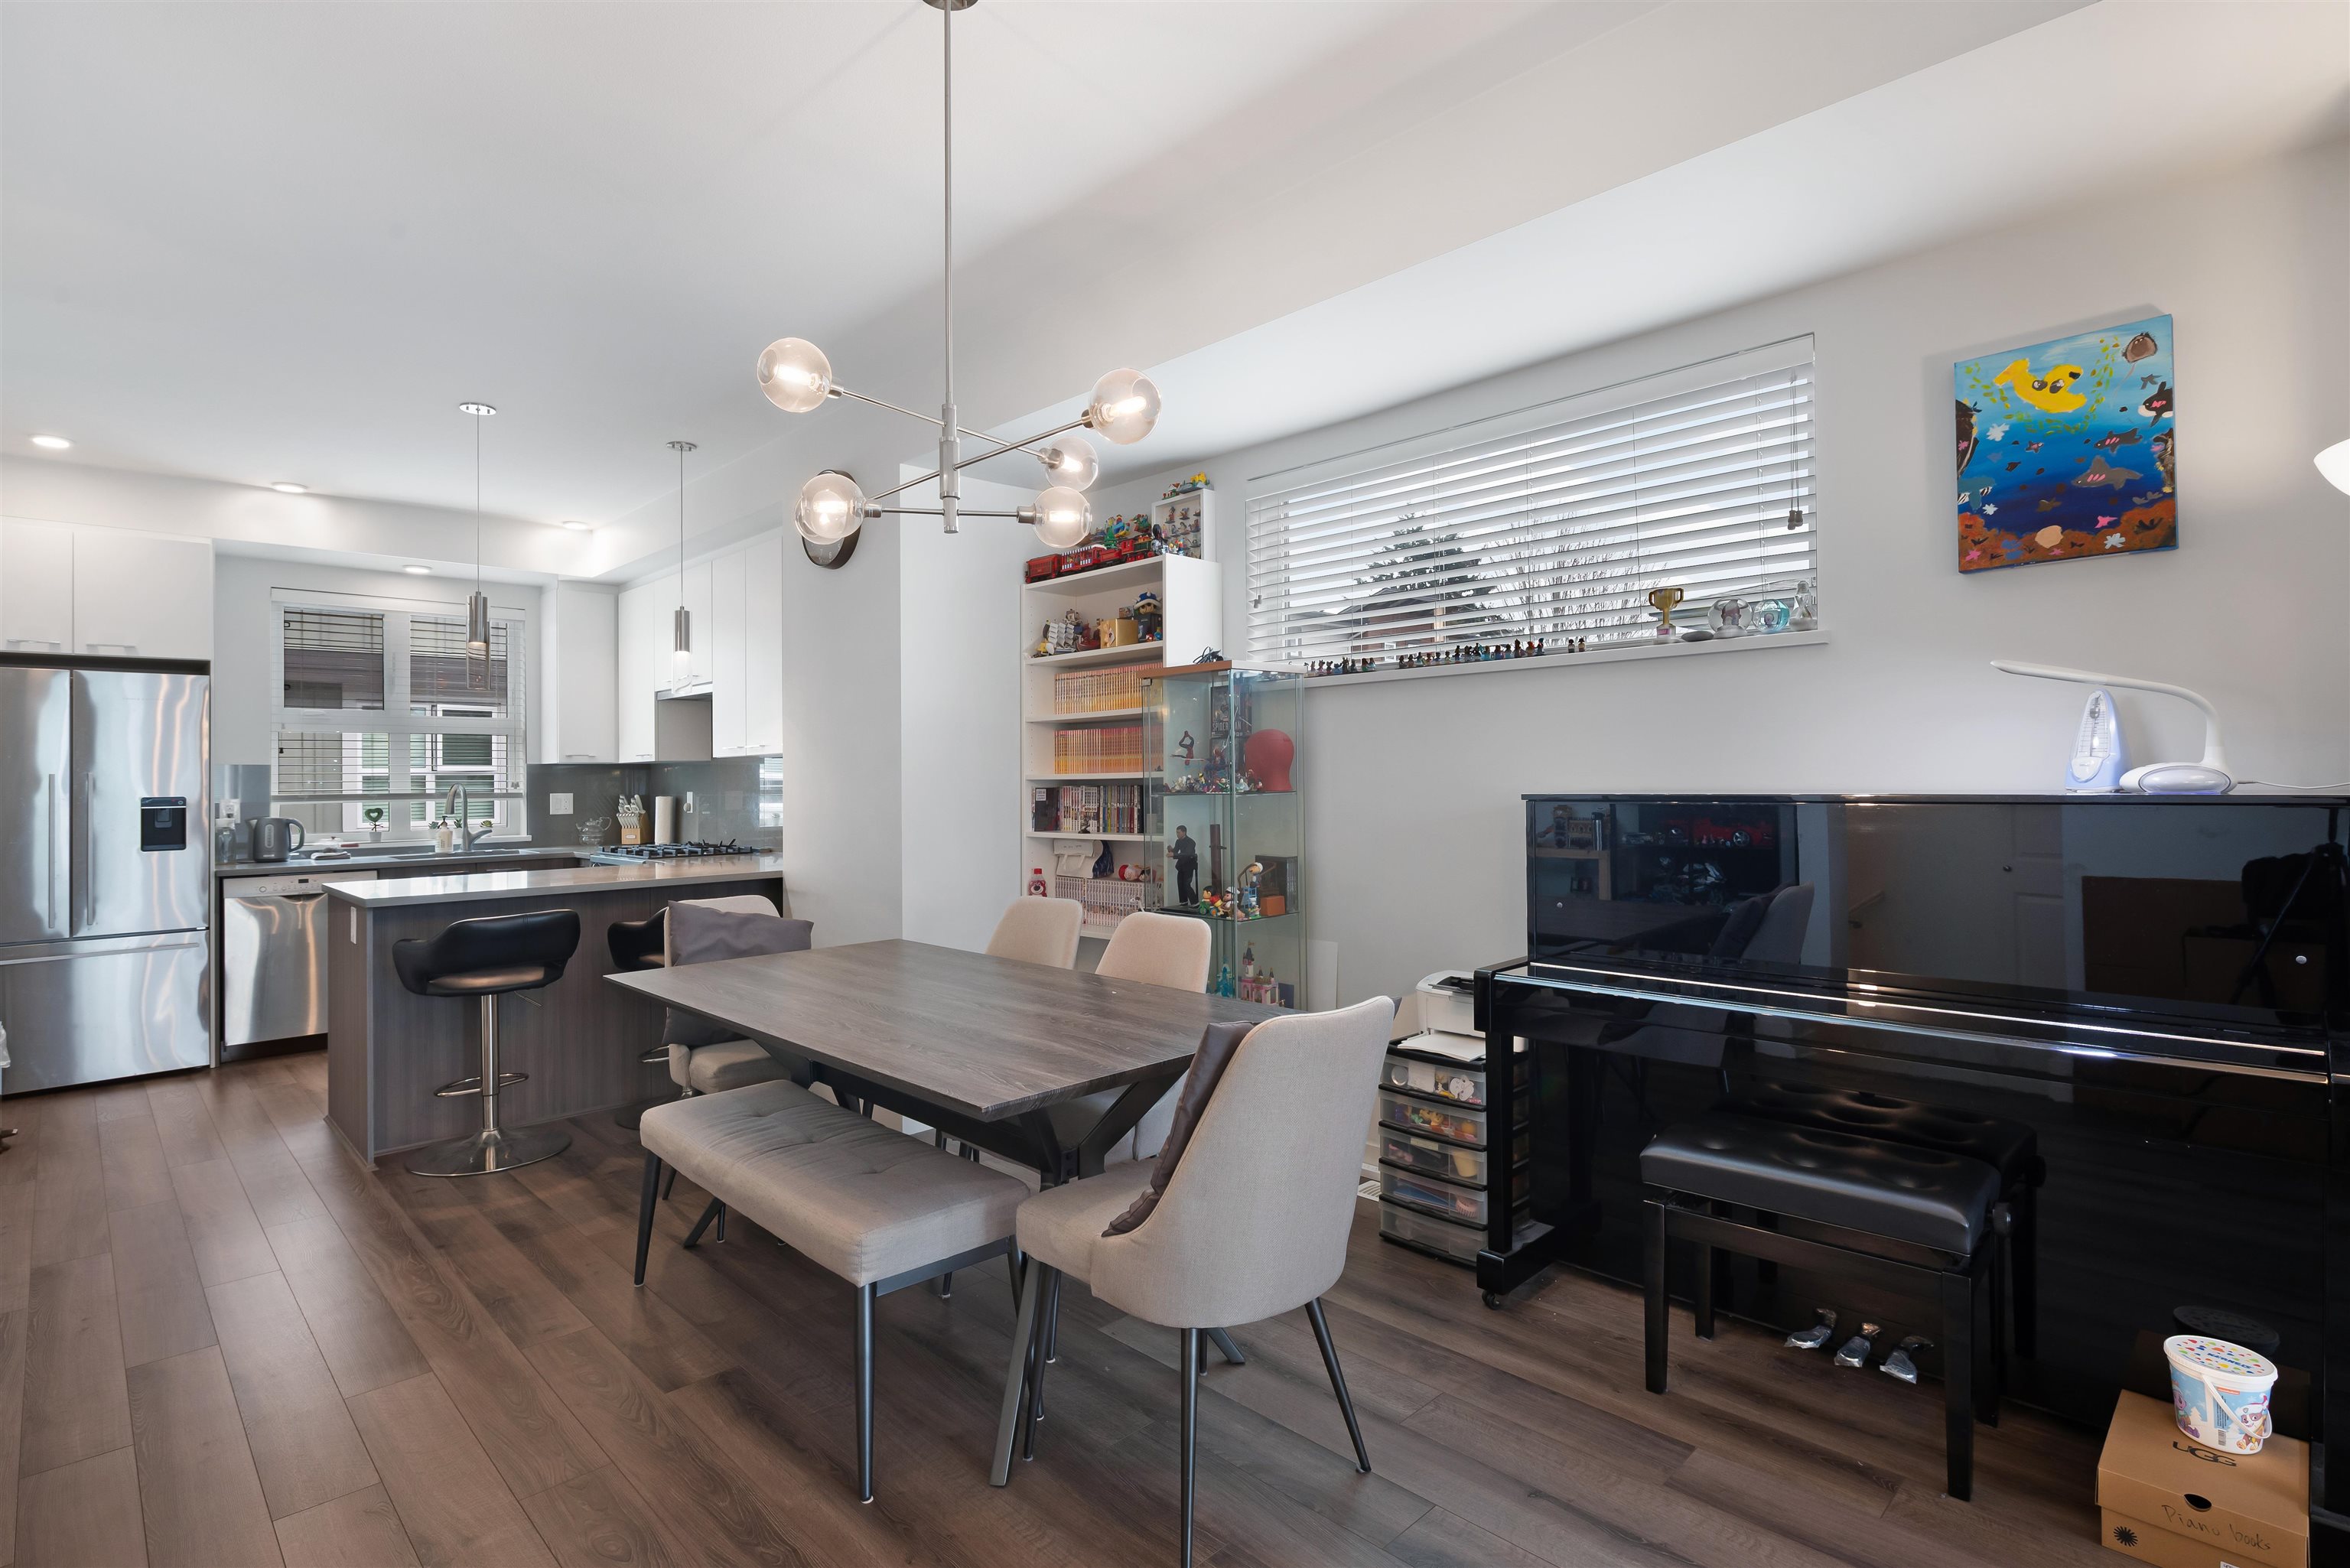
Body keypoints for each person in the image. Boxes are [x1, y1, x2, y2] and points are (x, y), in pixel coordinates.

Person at [1171, 826, 1199, 906]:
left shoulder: (1191, 842)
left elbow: (1188, 853)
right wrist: (1171, 851)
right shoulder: (1178, 841)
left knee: (1187, 884)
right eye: (1176, 832)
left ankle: (1195, 903)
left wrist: (1174, 854)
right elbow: (1175, 851)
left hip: (1189, 865)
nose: (1177, 834)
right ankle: (1183, 901)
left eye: (1179, 832)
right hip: (1181, 865)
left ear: (1184, 832)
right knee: (1180, 883)